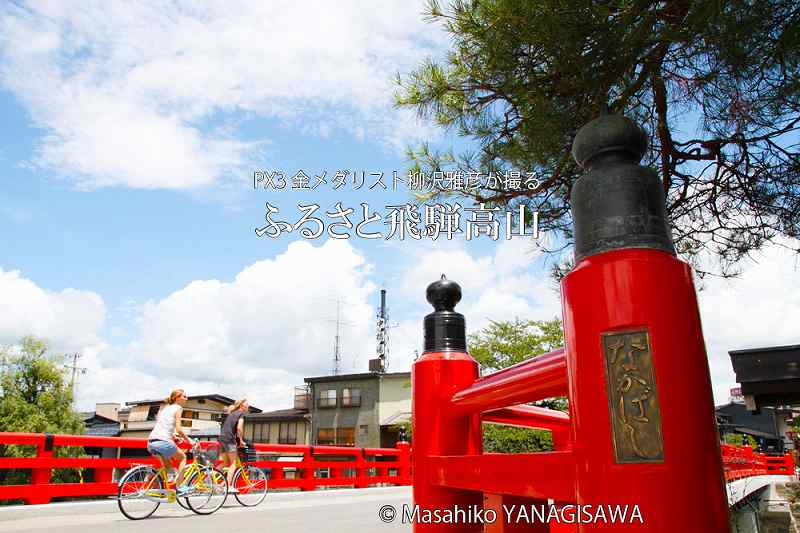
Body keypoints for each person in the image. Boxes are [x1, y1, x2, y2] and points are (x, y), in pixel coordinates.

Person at [147, 389, 193, 495]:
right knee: (183, 458)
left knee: (167, 466)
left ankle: (158, 486)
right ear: (177, 398)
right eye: (184, 396)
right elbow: (179, 429)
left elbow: (164, 426)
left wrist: (173, 436)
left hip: (151, 441)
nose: (187, 398)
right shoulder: (178, 408)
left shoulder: (166, 409)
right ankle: (180, 486)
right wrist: (189, 440)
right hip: (163, 441)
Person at [219, 398, 249, 491]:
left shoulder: (232, 414)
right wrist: (241, 441)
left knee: (224, 463)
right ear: (242, 406)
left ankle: (216, 481)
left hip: (222, 438)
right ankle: (228, 486)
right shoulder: (241, 414)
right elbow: (239, 428)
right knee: (234, 464)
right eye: (247, 404)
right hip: (229, 439)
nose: (248, 406)